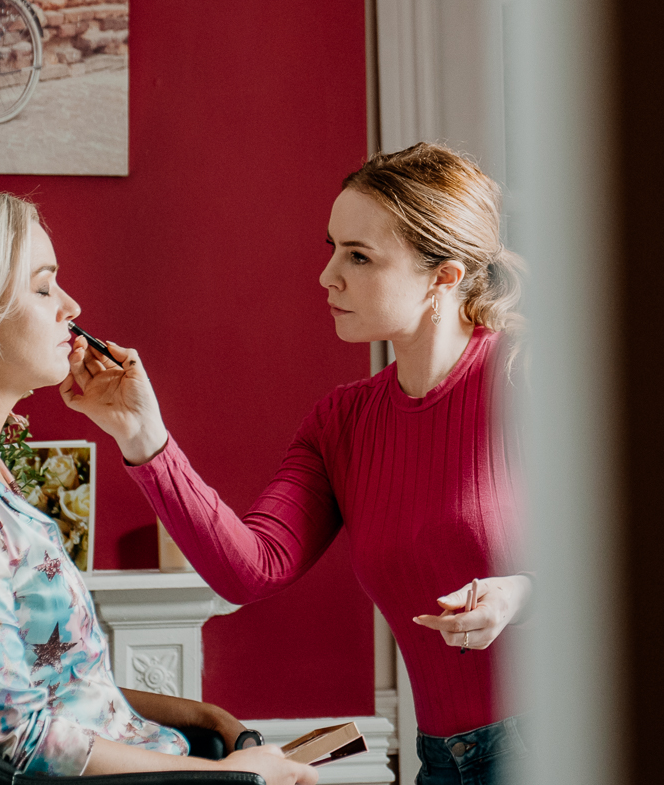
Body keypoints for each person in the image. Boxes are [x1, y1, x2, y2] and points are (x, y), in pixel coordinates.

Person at [63, 143, 531, 785]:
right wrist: (144, 434)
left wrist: (522, 592)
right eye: (333, 247)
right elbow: (251, 571)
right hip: (441, 760)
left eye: (359, 256)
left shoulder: (525, 378)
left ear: (442, 278)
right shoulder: (342, 423)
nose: (327, 275)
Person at [0, 178, 312, 783]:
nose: (70, 308)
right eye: (43, 285)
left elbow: (41, 685)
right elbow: (21, 740)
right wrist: (231, 774)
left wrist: (202, 716)